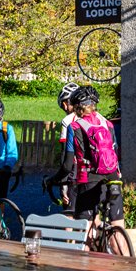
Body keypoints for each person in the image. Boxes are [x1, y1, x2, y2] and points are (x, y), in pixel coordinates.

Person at [49, 86, 124, 231]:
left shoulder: (74, 127)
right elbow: (115, 152)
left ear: (77, 107)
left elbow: (67, 165)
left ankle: (88, 251)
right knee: (118, 226)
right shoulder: (108, 124)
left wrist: (53, 180)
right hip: (113, 177)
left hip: (88, 180)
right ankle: (123, 249)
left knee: (86, 230)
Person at [53, 82, 80, 216]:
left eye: (64, 104)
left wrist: (62, 184)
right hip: (93, 175)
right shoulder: (96, 118)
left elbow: (66, 156)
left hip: (73, 175)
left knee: (69, 216)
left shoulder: (67, 121)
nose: (64, 107)